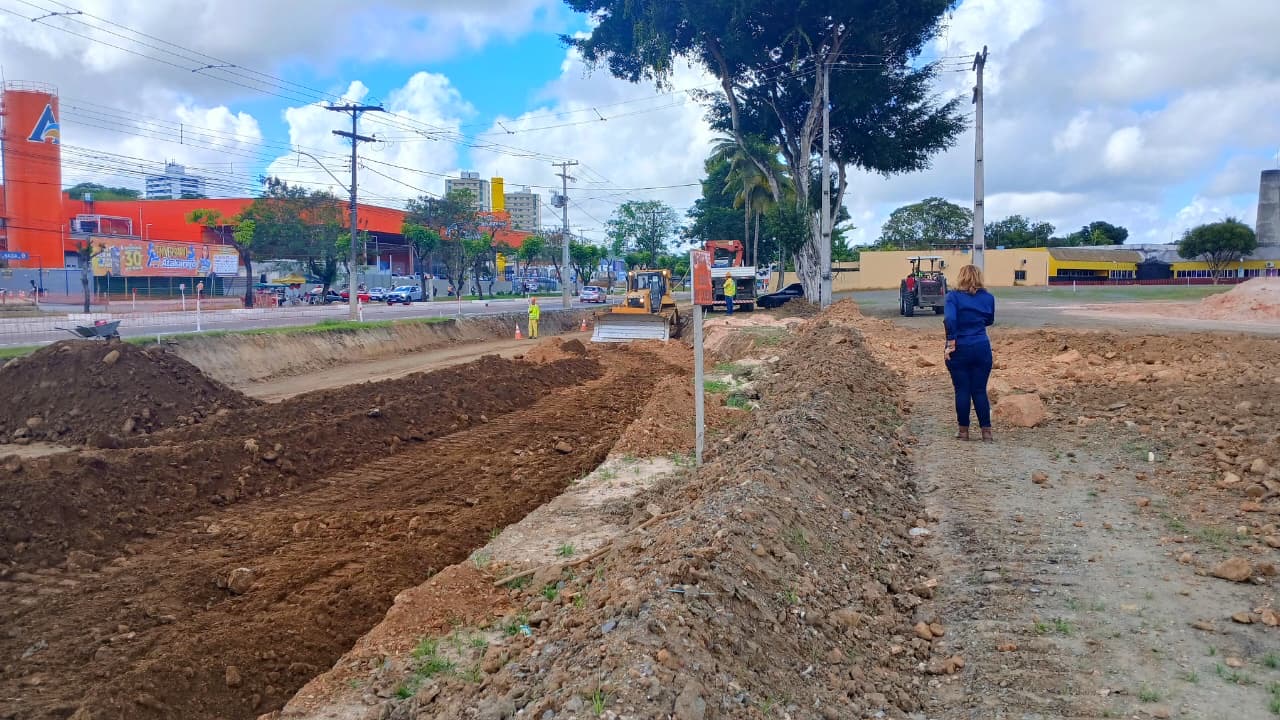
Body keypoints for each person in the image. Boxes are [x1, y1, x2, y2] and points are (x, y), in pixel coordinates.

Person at [943, 264, 996, 442]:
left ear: (961, 277)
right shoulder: (988, 297)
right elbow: (989, 320)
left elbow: (950, 318)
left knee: (962, 390)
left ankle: (963, 431)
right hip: (981, 347)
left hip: (960, 347)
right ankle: (986, 433)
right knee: (979, 390)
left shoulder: (953, 297)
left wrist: (951, 342)